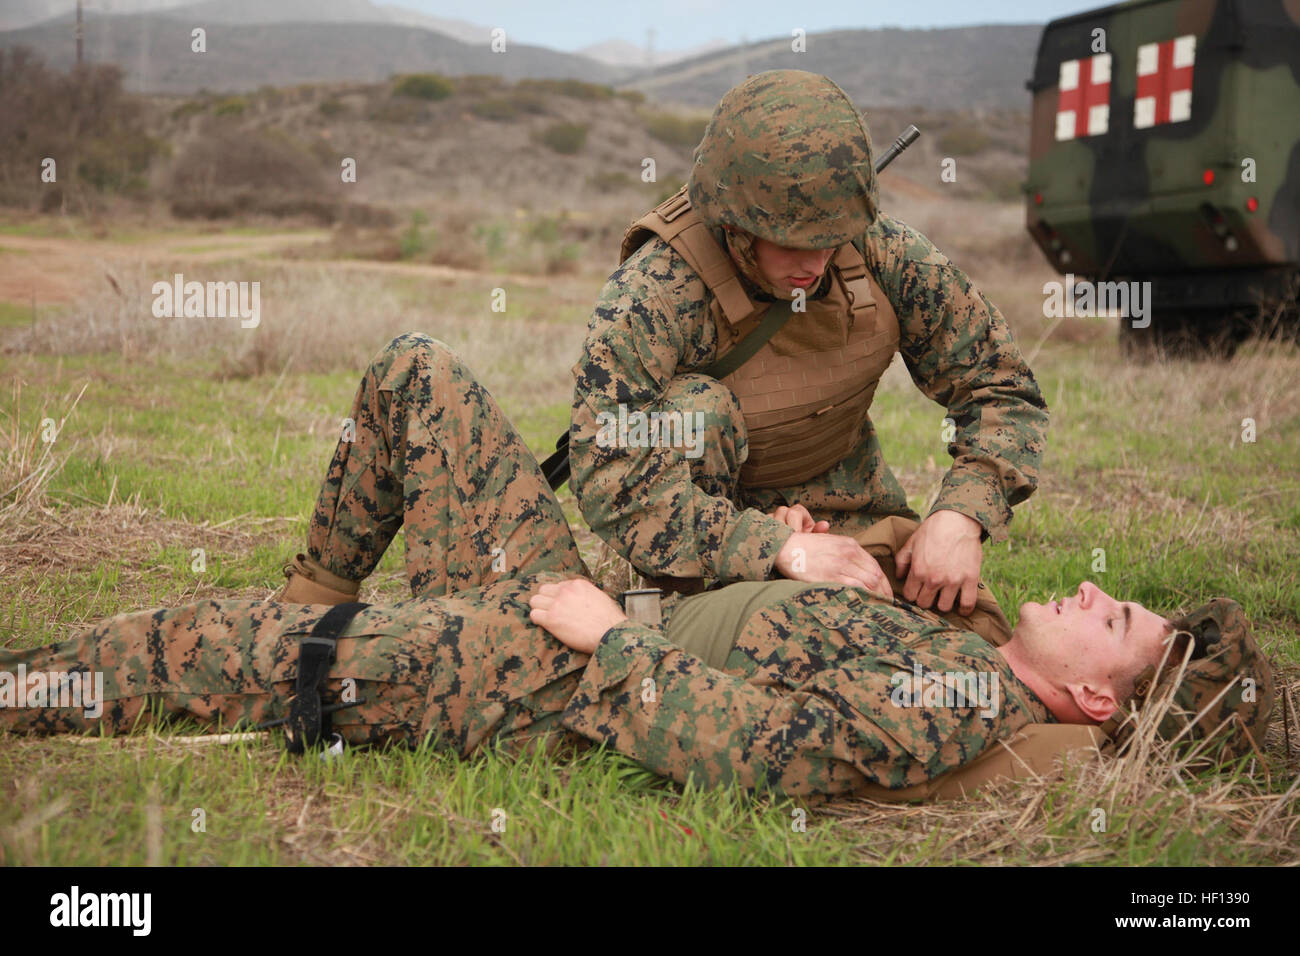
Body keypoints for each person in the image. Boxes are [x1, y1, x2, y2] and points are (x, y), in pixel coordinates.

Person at [0, 336, 1271, 798]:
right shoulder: (972, 639)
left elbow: (751, 757)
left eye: (1118, 623)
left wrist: (605, 634)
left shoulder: (968, 704)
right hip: (565, 601)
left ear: (1093, 701)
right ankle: (316, 608)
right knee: (415, 374)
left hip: (537, 674)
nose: (1100, 593)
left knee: (184, 646)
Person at [565, 69, 1050, 614]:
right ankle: (694, 616)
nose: (816, 264)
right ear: (734, 224)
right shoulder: (653, 294)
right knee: (696, 412)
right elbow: (613, 479)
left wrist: (963, 514)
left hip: (855, 520)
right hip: (717, 553)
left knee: (976, 665)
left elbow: (999, 383)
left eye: (831, 239)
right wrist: (775, 547)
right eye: (792, 243)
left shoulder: (879, 251)